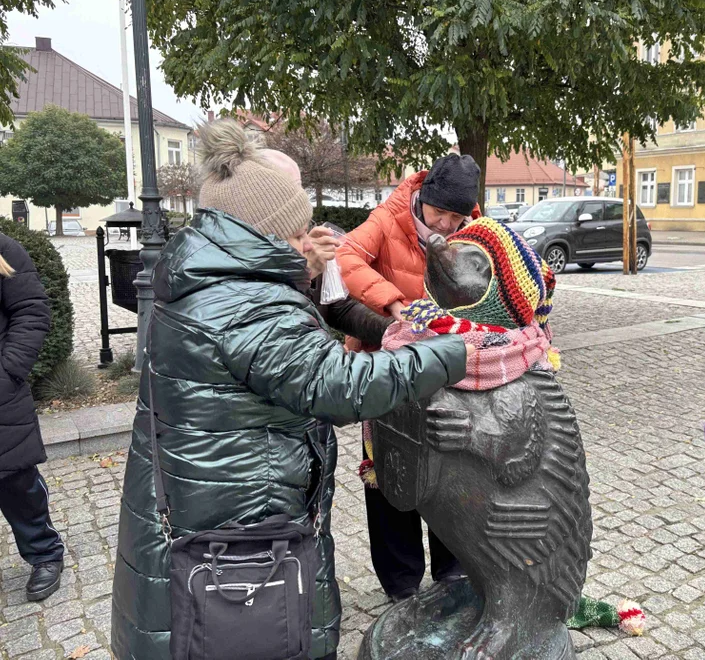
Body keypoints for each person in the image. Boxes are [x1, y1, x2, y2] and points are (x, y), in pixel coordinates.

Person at [111, 120, 472, 660]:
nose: (309, 241)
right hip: (242, 527)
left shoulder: (209, 276)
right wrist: (460, 349)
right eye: (298, 231)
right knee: (258, 633)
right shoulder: (247, 305)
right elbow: (342, 385)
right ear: (263, 231)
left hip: (217, 504)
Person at [337, 153, 481, 602]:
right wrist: (397, 307)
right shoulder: (389, 216)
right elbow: (345, 257)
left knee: (450, 467)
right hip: (390, 365)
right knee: (388, 470)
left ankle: (453, 569)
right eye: (440, 213)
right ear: (425, 198)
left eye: (456, 216)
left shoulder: (473, 227)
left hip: (445, 366)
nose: (446, 224)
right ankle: (401, 583)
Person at [0, 234, 65, 603]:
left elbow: (31, 309)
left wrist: (9, 370)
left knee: (16, 481)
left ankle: (44, 553)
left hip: (1, 396)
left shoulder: (4, 250)